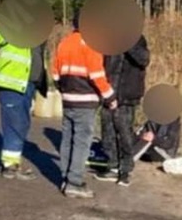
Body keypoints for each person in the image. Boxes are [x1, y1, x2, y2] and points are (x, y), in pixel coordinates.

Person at [52, 10, 115, 198]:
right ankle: (75, 181)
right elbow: (97, 75)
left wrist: (64, 90)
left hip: (68, 100)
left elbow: (55, 73)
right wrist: (110, 97)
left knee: (67, 139)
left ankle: (66, 177)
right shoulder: (91, 45)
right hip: (86, 101)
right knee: (82, 142)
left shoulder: (65, 43)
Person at [0, 18, 48, 181]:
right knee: (14, 124)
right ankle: (10, 166)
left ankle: (13, 162)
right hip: (12, 85)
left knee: (22, 123)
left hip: (28, 85)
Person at [96, 34, 149, 187]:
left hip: (127, 94)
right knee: (107, 130)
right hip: (109, 92)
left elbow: (144, 59)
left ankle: (125, 169)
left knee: (124, 132)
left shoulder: (138, 39)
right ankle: (112, 164)